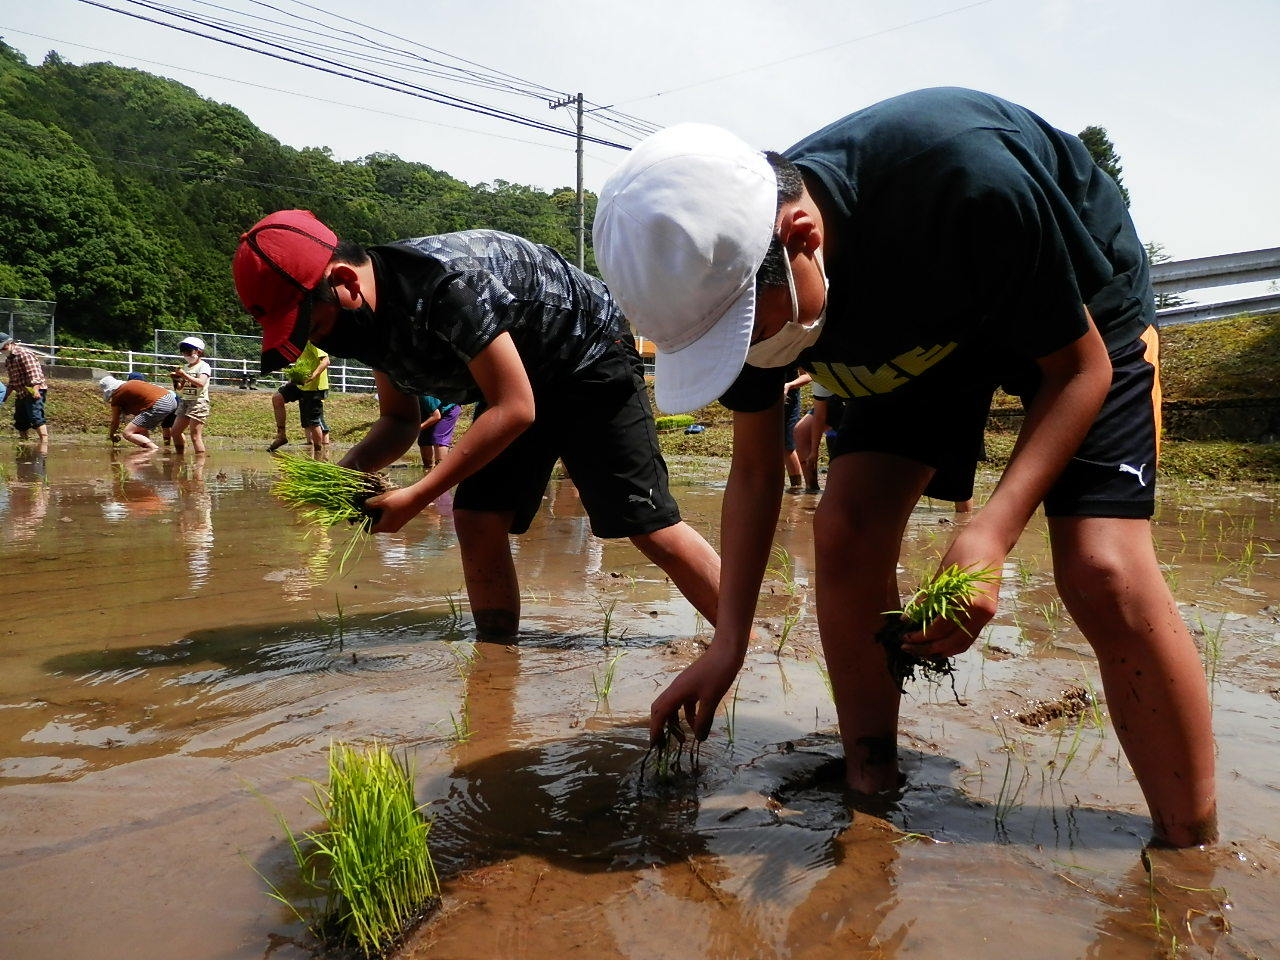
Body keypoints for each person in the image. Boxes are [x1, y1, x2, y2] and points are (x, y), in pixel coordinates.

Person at [592, 88, 1216, 848]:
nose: (750, 352)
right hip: (907, 331)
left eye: (751, 328)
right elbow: (756, 474)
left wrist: (990, 534)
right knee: (847, 531)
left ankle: (1191, 853)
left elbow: (1079, 370)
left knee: (1103, 570)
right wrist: (728, 638)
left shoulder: (961, 181)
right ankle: (869, 784)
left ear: (802, 236)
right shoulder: (740, 296)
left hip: (1073, 304)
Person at [233, 210, 724, 640]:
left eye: (314, 327)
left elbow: (515, 409)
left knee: (646, 524)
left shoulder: (444, 285)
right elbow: (399, 419)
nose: (326, 339)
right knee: (477, 518)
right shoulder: (367, 322)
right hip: (516, 380)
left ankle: (739, 635)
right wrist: (342, 477)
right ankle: (495, 656)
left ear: (344, 281)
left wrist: (416, 496)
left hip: (588, 357)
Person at [268, 340, 331, 452]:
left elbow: (326, 361)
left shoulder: (313, 340)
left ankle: (318, 452)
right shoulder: (298, 340)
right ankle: (281, 436)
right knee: (277, 398)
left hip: (314, 387)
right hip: (300, 383)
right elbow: (301, 362)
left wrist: (312, 377)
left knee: (313, 422)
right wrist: (292, 379)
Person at [101, 374, 178, 451]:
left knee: (127, 433)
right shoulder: (131, 385)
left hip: (160, 404)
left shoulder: (117, 395)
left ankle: (154, 450)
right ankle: (148, 453)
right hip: (171, 399)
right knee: (141, 427)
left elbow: (115, 421)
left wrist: (111, 435)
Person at [1, 333, 48, 442]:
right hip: (21, 392)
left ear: (10, 343)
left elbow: (34, 374)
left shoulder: (24, 354)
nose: (3, 350)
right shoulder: (9, 360)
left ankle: (44, 444)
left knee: (35, 417)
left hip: (34, 390)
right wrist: (6, 395)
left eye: (4, 347)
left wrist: (35, 390)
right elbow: (13, 381)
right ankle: (24, 442)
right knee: (20, 420)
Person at [170, 336, 211, 454]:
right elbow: (180, 388)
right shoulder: (186, 367)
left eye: (188, 351)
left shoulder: (204, 366)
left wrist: (183, 375)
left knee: (195, 436)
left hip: (199, 401)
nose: (185, 354)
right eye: (183, 351)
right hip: (185, 401)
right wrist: (176, 379)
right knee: (175, 432)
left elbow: (200, 383)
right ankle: (179, 457)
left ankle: (199, 466)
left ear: (199, 352)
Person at [782, 367, 811, 493]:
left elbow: (808, 376)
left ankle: (796, 487)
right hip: (766, 399)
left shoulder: (794, 348)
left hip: (789, 398)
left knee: (787, 445)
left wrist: (789, 385)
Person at [417, 395, 462, 469]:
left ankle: (441, 469)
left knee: (438, 438)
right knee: (423, 440)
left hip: (448, 410)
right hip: (429, 412)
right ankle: (428, 469)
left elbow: (436, 416)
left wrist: (418, 428)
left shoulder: (424, 395)